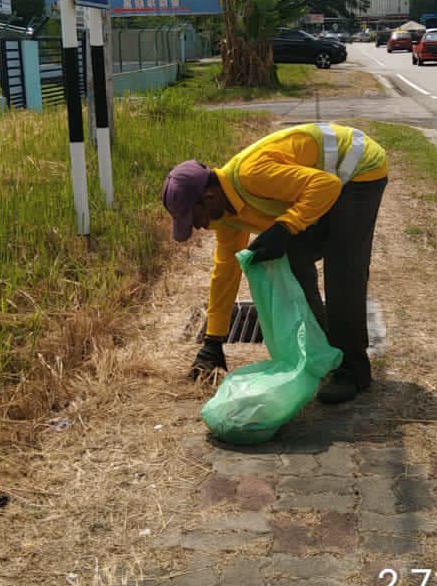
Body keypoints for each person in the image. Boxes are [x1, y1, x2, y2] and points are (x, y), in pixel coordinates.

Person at [162, 123, 388, 405]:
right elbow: (225, 272)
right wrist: (213, 341)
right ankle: (328, 350)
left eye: (195, 218)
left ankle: (354, 370)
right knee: (292, 257)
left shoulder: (250, 175)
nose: (199, 226)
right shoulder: (227, 215)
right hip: (331, 182)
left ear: (208, 196)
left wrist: (285, 227)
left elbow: (325, 185)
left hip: (359, 168)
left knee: (342, 266)